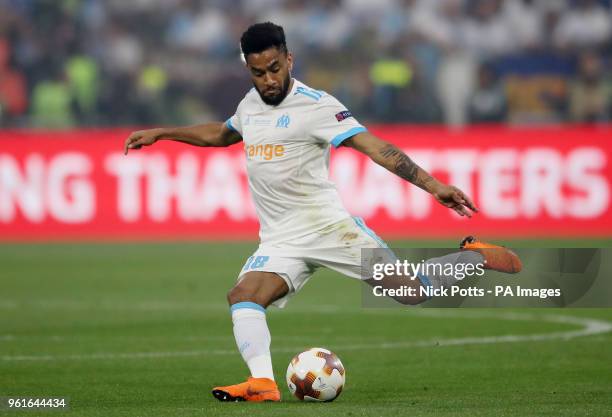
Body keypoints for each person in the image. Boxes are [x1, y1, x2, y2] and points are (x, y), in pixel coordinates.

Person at [123, 22, 521, 403]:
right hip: (281, 239)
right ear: (248, 69)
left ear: (290, 60)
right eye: (258, 72)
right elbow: (222, 134)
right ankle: (261, 382)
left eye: (275, 69)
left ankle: (474, 255)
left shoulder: (316, 106)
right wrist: (163, 132)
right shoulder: (250, 105)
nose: (269, 80)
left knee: (411, 291)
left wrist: (435, 186)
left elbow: (374, 147)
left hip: (330, 229)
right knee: (243, 297)